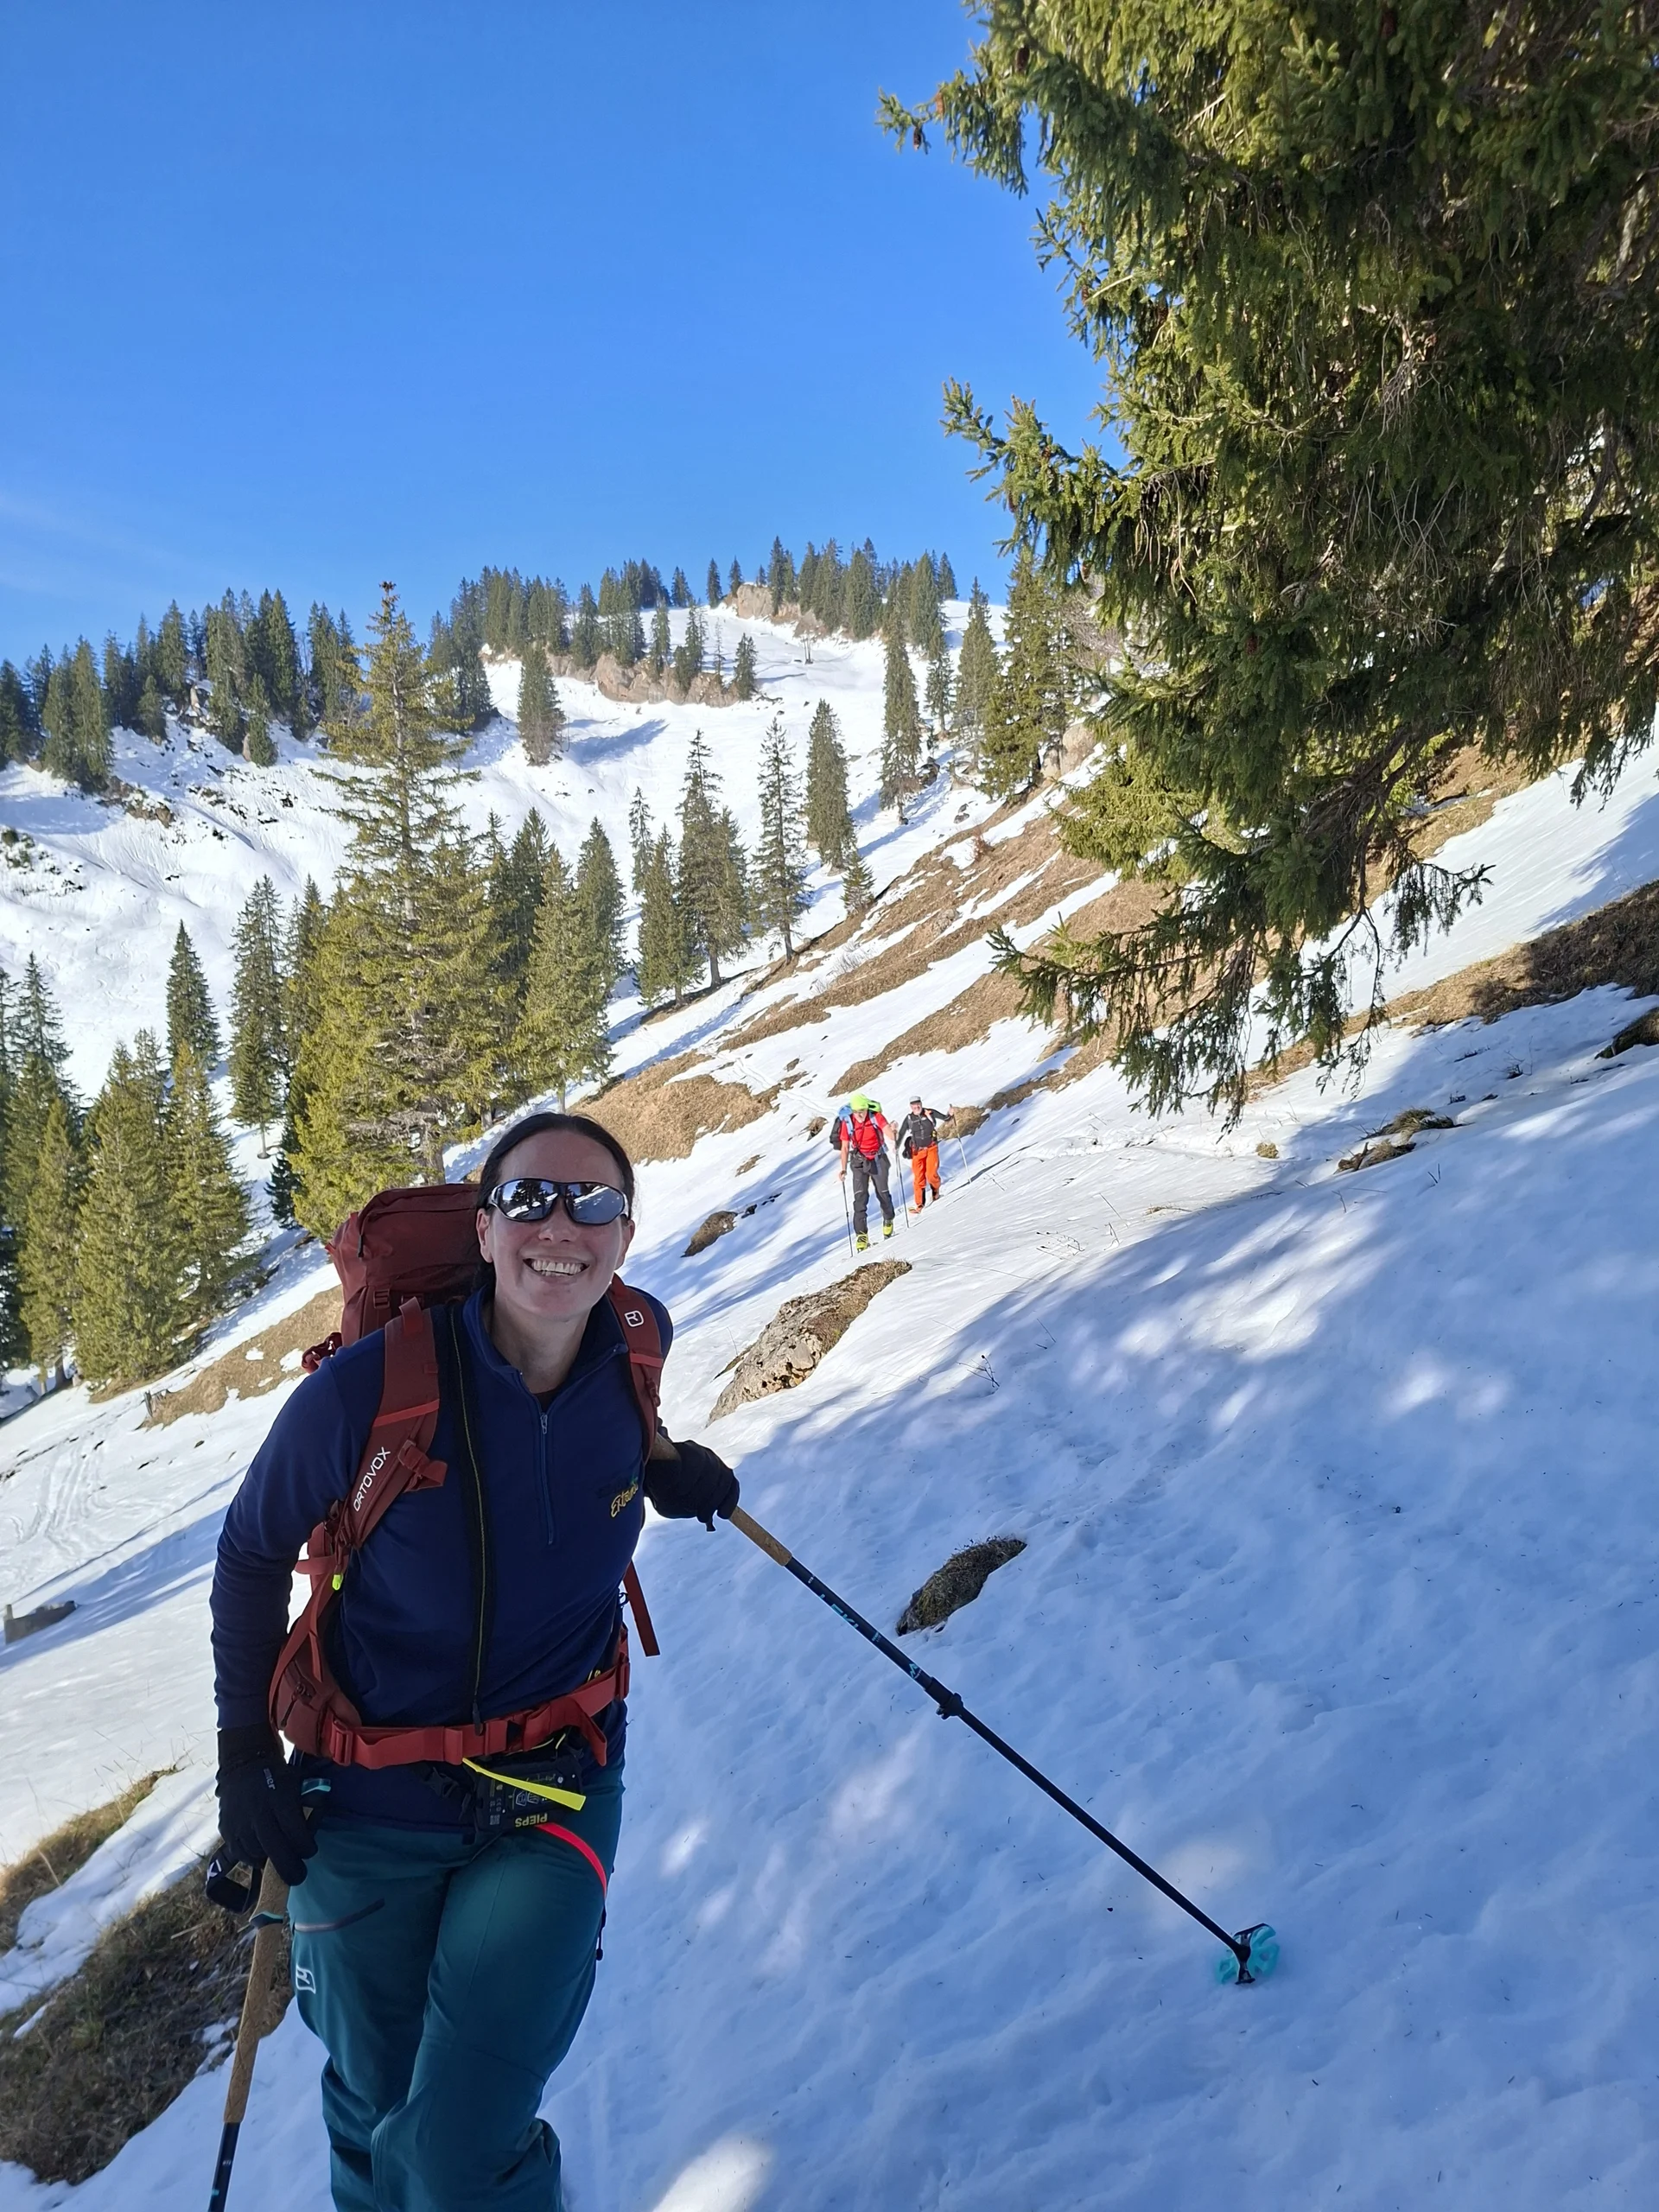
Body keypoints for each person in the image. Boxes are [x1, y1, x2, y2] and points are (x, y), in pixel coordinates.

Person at [210, 1110, 738, 2212]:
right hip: (366, 1803)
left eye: (592, 1202)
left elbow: (609, 1440)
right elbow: (253, 1548)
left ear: (626, 1234)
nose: (562, 1225)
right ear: (486, 1228)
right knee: (371, 2105)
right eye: (529, 1198)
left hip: (559, 1783)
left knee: (454, 2149)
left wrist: (678, 1467)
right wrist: (242, 1753)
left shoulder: (636, 1349)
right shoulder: (370, 1393)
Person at [837, 1092, 896, 1248]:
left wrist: (893, 1132)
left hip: (878, 1158)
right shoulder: (848, 1122)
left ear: (866, 1108)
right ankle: (861, 1236)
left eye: (862, 1111)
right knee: (860, 1199)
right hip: (859, 1161)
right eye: (856, 1112)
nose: (860, 1115)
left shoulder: (875, 1116)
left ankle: (888, 1218)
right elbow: (844, 1147)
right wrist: (843, 1169)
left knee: (883, 1193)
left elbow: (888, 1132)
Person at [894, 1096, 954, 1212]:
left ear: (921, 1104)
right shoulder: (909, 1119)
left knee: (931, 1174)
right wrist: (896, 1146)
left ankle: (935, 1190)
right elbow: (902, 1132)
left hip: (931, 1148)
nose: (916, 1107)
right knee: (919, 1178)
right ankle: (920, 1204)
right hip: (917, 1151)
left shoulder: (930, 1113)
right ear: (910, 1107)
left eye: (918, 1104)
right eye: (914, 1105)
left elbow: (945, 1118)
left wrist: (950, 1114)